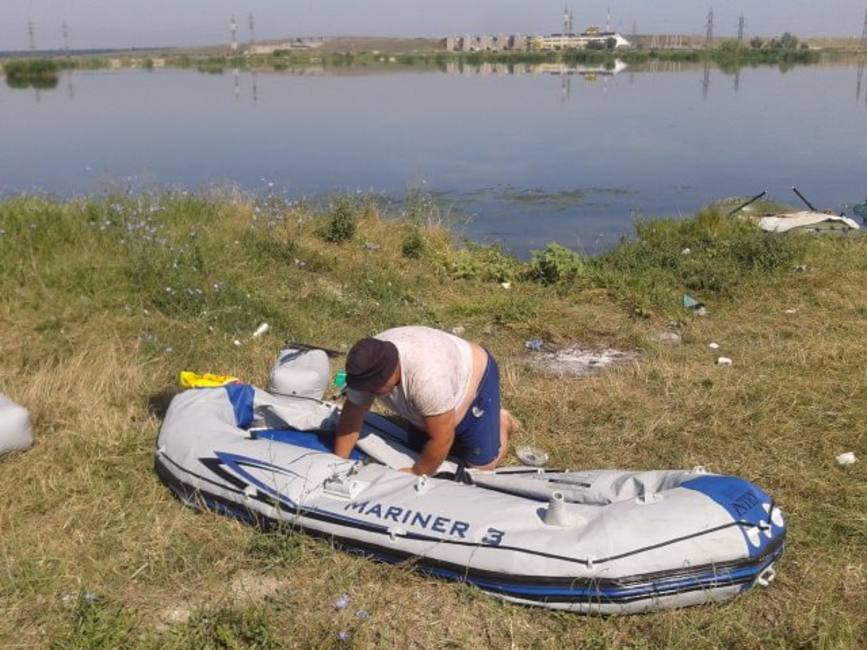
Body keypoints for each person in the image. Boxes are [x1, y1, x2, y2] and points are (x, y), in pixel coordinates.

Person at [333, 325, 515, 475]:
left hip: (476, 375)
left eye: (374, 387)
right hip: (438, 375)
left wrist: (416, 472)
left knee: (481, 469)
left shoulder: (428, 381)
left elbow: (442, 439)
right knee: (418, 449)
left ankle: (501, 422)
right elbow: (351, 419)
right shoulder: (366, 362)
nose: (369, 392)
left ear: (391, 371)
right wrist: (337, 464)